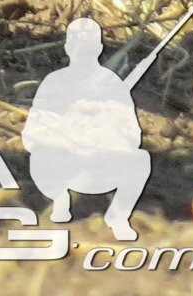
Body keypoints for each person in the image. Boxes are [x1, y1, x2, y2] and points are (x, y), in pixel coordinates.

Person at [24, 19, 155, 239]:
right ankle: (59, 202)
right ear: (67, 48)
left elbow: (133, 136)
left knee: (141, 160)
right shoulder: (54, 82)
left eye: (88, 46)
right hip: (62, 165)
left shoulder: (113, 85)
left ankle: (118, 217)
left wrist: (105, 129)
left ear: (99, 48)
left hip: (102, 165)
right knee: (41, 157)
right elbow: (31, 135)